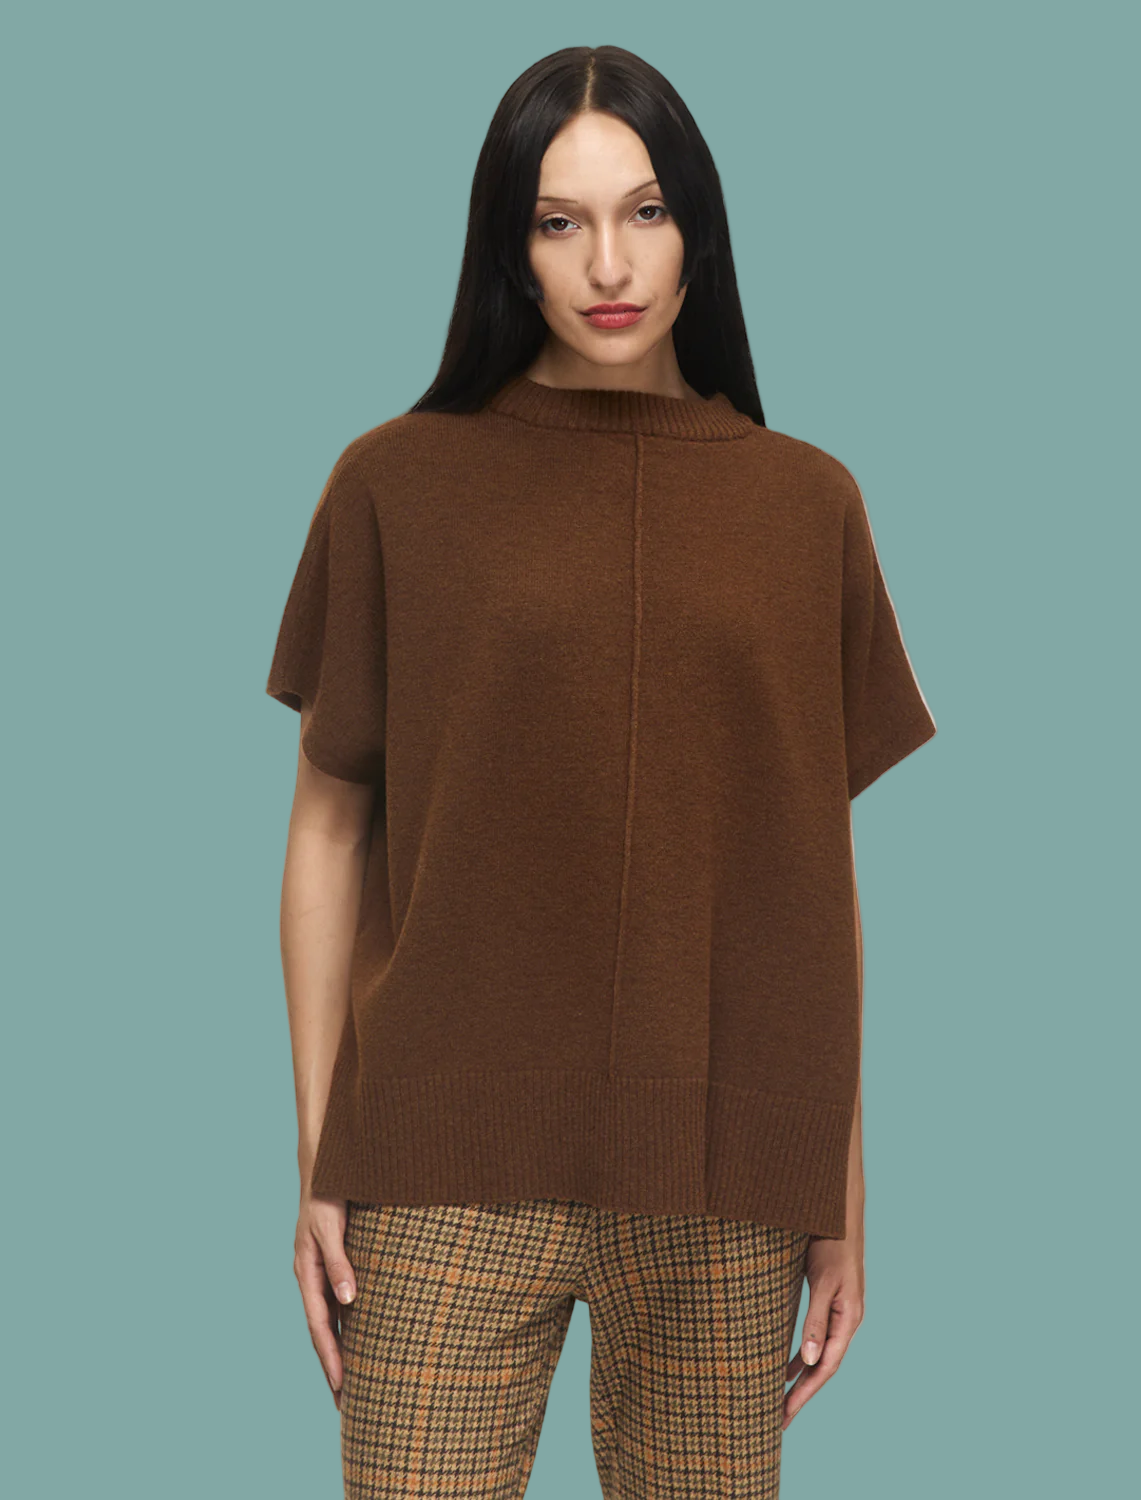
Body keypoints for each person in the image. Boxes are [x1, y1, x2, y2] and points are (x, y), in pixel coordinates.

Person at [264, 45, 937, 1500]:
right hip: (439, 1164)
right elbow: (326, 832)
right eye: (559, 223)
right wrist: (322, 1153)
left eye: (646, 212)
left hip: (724, 1179)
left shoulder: (807, 504)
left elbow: (810, 873)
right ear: (509, 248)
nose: (609, 266)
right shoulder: (394, 483)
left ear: (700, 225)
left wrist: (838, 1183)